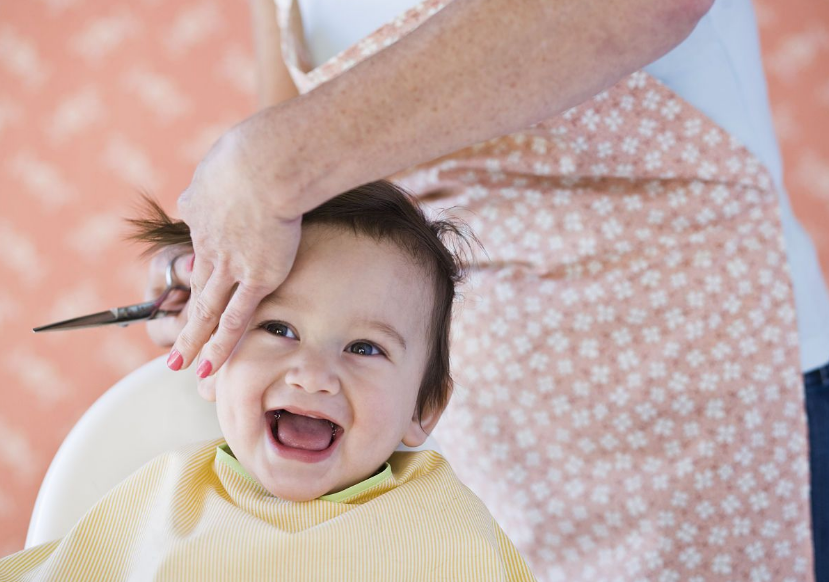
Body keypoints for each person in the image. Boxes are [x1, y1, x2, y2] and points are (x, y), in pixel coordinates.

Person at [154, 0, 828, 579]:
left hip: (697, 408)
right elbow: (303, 160)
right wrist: (224, 259)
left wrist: (266, 168)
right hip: (486, 441)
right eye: (279, 331)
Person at [0, 182, 535, 581]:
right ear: (213, 346)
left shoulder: (452, 542)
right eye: (279, 329)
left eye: (365, 348)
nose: (314, 374)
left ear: (424, 407)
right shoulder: (160, 506)